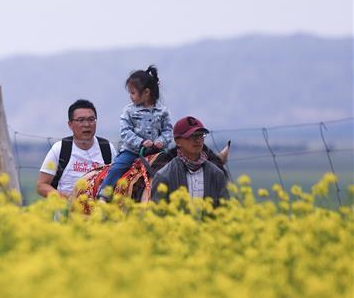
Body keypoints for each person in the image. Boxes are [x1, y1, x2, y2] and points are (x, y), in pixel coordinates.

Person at [97, 65, 173, 200]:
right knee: (117, 167)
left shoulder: (163, 111)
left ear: (146, 92)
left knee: (175, 166)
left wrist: (161, 141)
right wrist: (141, 142)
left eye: (133, 93)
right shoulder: (128, 111)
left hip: (157, 151)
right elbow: (125, 132)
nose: (130, 97)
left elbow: (168, 130)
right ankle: (104, 193)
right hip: (132, 151)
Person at [37, 99, 116, 198]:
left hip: (99, 211)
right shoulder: (60, 149)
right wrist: (68, 201)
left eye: (91, 119)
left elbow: (117, 182)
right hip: (67, 211)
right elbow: (41, 185)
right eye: (81, 120)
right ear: (70, 124)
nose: (87, 125)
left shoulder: (107, 148)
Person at [152, 116, 229, 204]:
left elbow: (225, 209)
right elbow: (157, 212)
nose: (198, 140)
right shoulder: (163, 176)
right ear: (178, 141)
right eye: (191, 136)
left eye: (201, 135)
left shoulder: (217, 174)